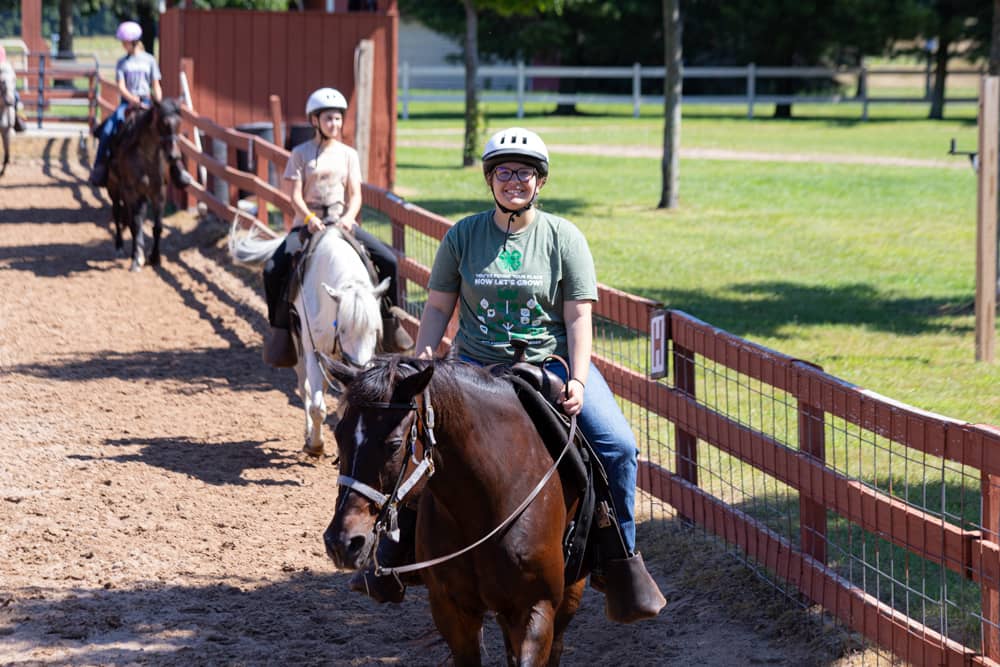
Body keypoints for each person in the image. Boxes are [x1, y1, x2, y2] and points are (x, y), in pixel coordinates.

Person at [353, 127, 665, 622]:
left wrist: (580, 382)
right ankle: (396, 554)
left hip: (550, 365)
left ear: (540, 182)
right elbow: (437, 306)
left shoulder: (564, 238)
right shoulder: (463, 236)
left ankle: (618, 560)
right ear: (489, 179)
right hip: (475, 367)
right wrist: (423, 356)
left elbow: (579, 317)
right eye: (504, 171)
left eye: (524, 172)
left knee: (618, 447)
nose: (513, 181)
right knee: (417, 440)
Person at [261, 86, 413, 367]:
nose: (334, 124)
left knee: (389, 260)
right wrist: (308, 219)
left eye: (338, 118)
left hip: (343, 223)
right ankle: (279, 330)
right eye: (328, 118)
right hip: (308, 225)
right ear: (314, 121)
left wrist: (348, 217)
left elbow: (355, 194)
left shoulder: (348, 154)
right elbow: (293, 195)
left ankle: (391, 323)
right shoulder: (300, 154)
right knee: (272, 269)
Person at [88, 21, 162, 187]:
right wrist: (131, 98)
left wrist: (158, 103)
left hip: (146, 101)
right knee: (107, 130)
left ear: (134, 42)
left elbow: (156, 84)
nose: (122, 45)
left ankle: (172, 167)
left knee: (163, 129)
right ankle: (99, 167)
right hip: (127, 103)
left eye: (124, 41)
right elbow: (121, 86)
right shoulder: (122, 62)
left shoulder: (149, 60)